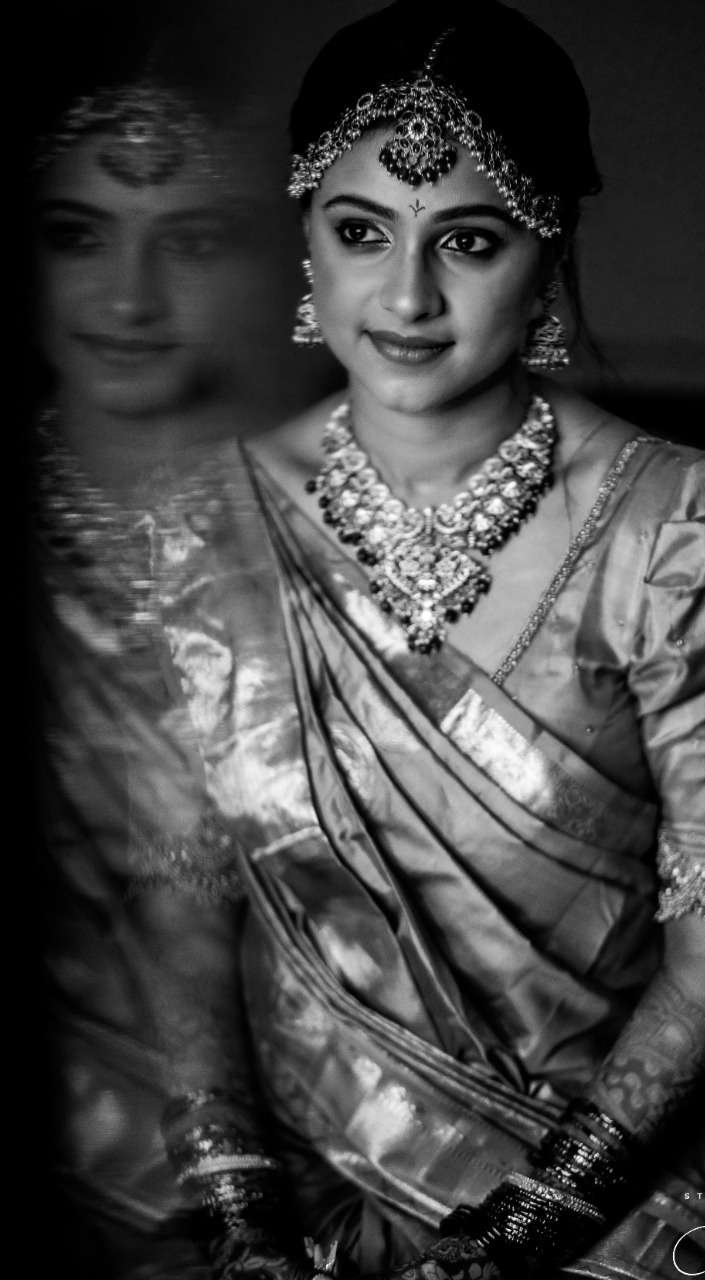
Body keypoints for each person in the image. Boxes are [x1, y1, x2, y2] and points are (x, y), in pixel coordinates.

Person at [121, 2, 705, 1278]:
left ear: (548, 248)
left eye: (468, 239)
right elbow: (182, 921)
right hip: (294, 1164)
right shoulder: (203, 529)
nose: (405, 295)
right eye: (359, 232)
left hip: (622, 1185)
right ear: (305, 237)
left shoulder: (680, 537)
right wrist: (241, 1210)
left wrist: (530, 1224)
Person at [29, 6, 299, 1273]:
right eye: (77, 235)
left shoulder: (344, 527)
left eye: (190, 241)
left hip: (346, 1121)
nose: (128, 299)